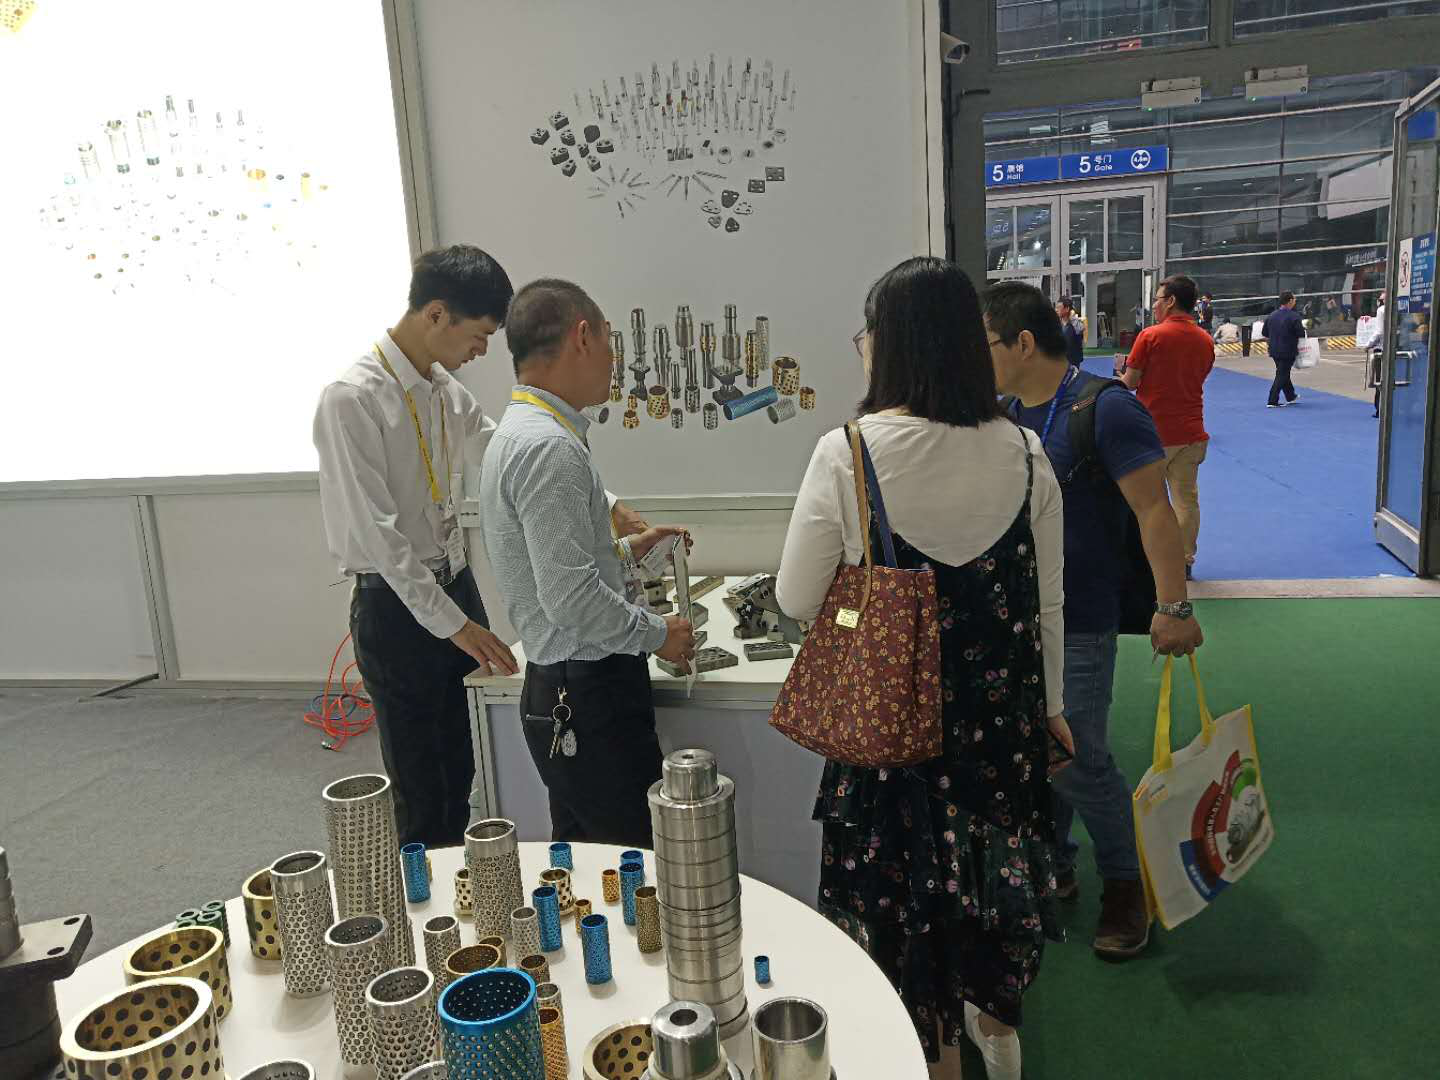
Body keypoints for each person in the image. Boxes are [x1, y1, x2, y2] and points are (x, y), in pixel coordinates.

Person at [776, 256, 1073, 1080]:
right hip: (998, 732)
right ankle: (998, 1034)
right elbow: (1047, 604)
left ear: (892, 344)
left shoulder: (848, 454)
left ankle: (930, 1053)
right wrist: (1051, 709)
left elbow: (797, 597)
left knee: (906, 915)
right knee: (991, 887)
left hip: (892, 737)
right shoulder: (1026, 453)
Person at [985, 280, 1204, 964]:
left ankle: (1125, 883)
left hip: (1080, 616)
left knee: (1079, 758)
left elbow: (1154, 512)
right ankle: (1054, 862)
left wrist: (1173, 606)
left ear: (1023, 343)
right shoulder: (1004, 414)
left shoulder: (1106, 408)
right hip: (1015, 618)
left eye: (983, 344)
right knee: (1035, 751)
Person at [313, 244, 522, 848]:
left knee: (465, 761)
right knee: (423, 785)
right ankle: (427, 897)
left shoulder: (443, 390)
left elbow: (507, 453)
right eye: (479, 336)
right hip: (396, 607)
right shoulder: (352, 399)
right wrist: (455, 625)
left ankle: (468, 883)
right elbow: (380, 539)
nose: (481, 351)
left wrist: (605, 503)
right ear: (436, 314)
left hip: (454, 583)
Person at [479, 278, 696, 847]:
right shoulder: (548, 447)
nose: (613, 361)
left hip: (564, 687)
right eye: (608, 341)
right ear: (582, 337)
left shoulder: (523, 432)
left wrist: (625, 552)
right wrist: (659, 634)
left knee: (585, 857)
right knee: (631, 859)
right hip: (589, 694)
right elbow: (571, 599)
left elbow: (554, 568)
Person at [1120, 275, 1215, 579]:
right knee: (1186, 500)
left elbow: (1130, 382)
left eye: (1158, 299)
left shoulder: (1150, 336)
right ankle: (1184, 560)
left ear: (1171, 301)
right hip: (1191, 433)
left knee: (1146, 501)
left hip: (1152, 434)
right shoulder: (1205, 340)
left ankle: (1147, 559)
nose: (1155, 305)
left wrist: (1117, 378)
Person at [1261, 292, 1306, 409]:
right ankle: (1272, 400)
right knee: (1282, 374)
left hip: (1274, 349)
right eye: (1294, 299)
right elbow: (1300, 333)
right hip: (1288, 349)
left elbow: (1265, 333)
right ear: (1290, 301)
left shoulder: (1272, 316)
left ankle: (1290, 396)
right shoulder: (1294, 316)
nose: (1295, 301)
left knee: (1283, 372)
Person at [1363, 292, 1387, 417]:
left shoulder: (1381, 310)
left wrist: (1368, 344)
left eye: (1380, 299)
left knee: (1380, 379)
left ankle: (1379, 409)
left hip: (1381, 349)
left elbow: (1379, 332)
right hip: (1392, 348)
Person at [1057, 296, 1085, 366]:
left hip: (1073, 363)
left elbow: (1080, 330)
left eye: (1059, 307)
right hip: (1061, 362)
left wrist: (1073, 317)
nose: (1056, 310)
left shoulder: (1075, 323)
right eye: (1056, 307)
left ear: (1067, 309)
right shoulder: (1058, 324)